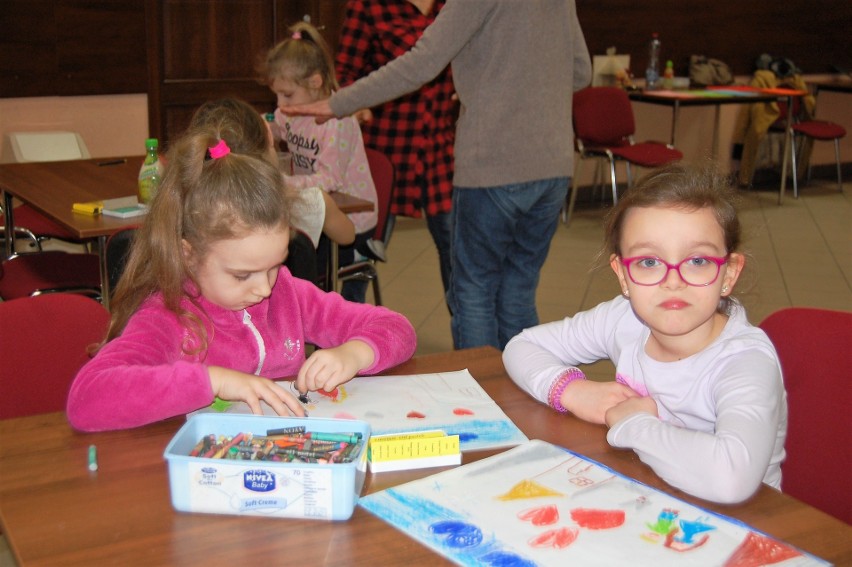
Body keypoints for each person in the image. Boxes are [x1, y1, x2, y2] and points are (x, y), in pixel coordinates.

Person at [66, 120, 416, 433]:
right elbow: (87, 399)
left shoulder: (287, 292)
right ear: (188, 254)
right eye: (242, 275)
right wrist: (211, 381)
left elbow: (397, 328)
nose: (265, 288)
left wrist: (353, 354)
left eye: (276, 264)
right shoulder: (169, 314)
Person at [281, 0, 592, 349]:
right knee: (518, 290)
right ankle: (521, 390)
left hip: (493, 164)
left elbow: (421, 63)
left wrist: (337, 103)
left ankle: (481, 397)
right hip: (554, 166)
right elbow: (581, 72)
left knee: (474, 291)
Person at [502, 163, 787, 504]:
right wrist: (573, 391)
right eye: (649, 262)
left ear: (728, 273)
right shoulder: (624, 319)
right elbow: (522, 346)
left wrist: (633, 425)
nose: (673, 280)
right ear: (622, 275)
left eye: (697, 260)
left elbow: (731, 479)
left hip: (745, 526)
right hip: (653, 497)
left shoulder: (744, 361)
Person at [335, 0, 456, 302]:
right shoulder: (370, 6)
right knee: (365, 252)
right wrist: (356, 106)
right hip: (388, 149)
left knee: (456, 251)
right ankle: (348, 328)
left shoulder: (455, 6)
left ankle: (468, 338)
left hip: (439, 150)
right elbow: (343, 74)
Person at [258, 21, 379, 303]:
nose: (280, 103)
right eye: (276, 94)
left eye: (286, 95)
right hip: (319, 208)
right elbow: (277, 126)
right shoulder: (292, 110)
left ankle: (340, 317)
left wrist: (282, 183)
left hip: (351, 217)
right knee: (297, 258)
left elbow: (329, 179)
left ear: (315, 83)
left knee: (313, 273)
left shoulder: (338, 121)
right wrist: (263, 127)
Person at [190, 97, 355, 283]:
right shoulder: (312, 202)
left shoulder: (188, 208)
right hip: (293, 308)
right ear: (269, 136)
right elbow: (348, 236)